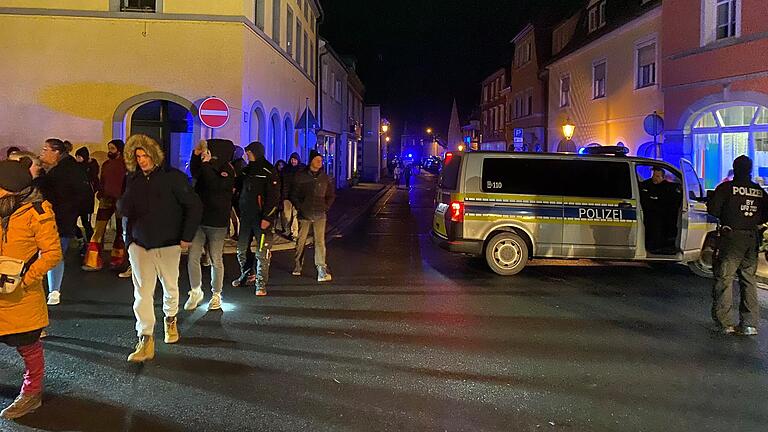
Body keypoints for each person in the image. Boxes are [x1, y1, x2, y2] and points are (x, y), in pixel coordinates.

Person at [118, 134, 202, 362]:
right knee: (142, 292)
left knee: (170, 285)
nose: (142, 160)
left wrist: (186, 236)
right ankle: (145, 337)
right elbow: (126, 211)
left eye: (145, 155)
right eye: (138, 156)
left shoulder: (173, 177)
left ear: (154, 155)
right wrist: (128, 241)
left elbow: (193, 206)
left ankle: (170, 319)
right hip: (139, 244)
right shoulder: (133, 179)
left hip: (168, 242)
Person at [0, 159, 62, 419]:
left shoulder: (37, 211)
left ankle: (31, 394)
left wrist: (27, 279)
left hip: (20, 295)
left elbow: (52, 253)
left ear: (9, 188)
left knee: (28, 346)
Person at [707, 156, 768, 336]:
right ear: (750, 169)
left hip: (731, 238)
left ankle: (724, 322)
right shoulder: (758, 191)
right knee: (748, 280)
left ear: (735, 168)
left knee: (724, 279)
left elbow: (713, 210)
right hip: (752, 238)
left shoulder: (726, 189)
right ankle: (749, 324)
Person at [37, 139, 92, 306]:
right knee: (54, 253)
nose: (42, 153)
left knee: (55, 253)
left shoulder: (63, 171)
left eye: (45, 149)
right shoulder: (65, 168)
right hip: (64, 218)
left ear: (56, 152)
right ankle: (52, 289)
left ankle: (53, 290)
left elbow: (62, 195)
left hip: (60, 219)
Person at [185, 139, 235, 312]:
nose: (209, 154)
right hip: (199, 219)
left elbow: (214, 186)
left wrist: (206, 165)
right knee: (192, 256)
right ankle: (195, 290)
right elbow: (196, 173)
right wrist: (195, 155)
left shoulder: (227, 170)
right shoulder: (205, 165)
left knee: (215, 259)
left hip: (217, 222)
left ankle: (216, 294)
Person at [232, 142, 279, 296]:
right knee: (241, 250)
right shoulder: (246, 171)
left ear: (255, 152)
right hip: (246, 217)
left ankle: (261, 284)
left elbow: (274, 197)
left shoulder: (268, 170)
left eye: (249, 152)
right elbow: (237, 188)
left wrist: (267, 217)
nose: (247, 155)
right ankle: (247, 274)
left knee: (262, 252)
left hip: (261, 220)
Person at [82, 140, 128, 273]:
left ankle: (117, 259)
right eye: (109, 148)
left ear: (119, 150)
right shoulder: (107, 164)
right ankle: (93, 260)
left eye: (112, 148)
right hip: (107, 199)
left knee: (119, 231)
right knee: (98, 230)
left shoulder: (125, 165)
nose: (110, 151)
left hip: (119, 201)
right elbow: (103, 180)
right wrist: (101, 193)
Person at [291, 150, 336, 282]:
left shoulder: (325, 177)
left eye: (321, 160)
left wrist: (326, 207)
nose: (320, 162)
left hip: (320, 213)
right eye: (317, 160)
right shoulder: (301, 176)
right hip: (304, 213)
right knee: (301, 241)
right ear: (311, 161)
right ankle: (298, 265)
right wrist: (300, 207)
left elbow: (331, 195)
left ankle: (321, 268)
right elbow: (294, 194)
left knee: (320, 241)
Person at [639, 166, 682, 254]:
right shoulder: (646, 184)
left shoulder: (668, 187)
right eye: (654, 175)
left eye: (658, 176)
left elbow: (676, 193)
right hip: (647, 215)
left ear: (663, 177)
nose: (655, 178)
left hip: (661, 217)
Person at [74, 147, 99, 254]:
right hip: (80, 201)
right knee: (77, 223)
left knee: (86, 223)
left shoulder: (89, 169)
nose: (77, 159)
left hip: (85, 201)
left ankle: (89, 244)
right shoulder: (78, 168)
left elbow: (95, 184)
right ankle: (84, 242)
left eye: (78, 157)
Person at [282, 152, 304, 240]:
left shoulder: (301, 170)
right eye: (292, 159)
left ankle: (294, 233)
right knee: (287, 215)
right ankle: (287, 229)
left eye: (295, 159)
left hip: (297, 196)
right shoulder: (286, 170)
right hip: (287, 196)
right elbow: (284, 183)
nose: (293, 161)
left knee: (295, 215)